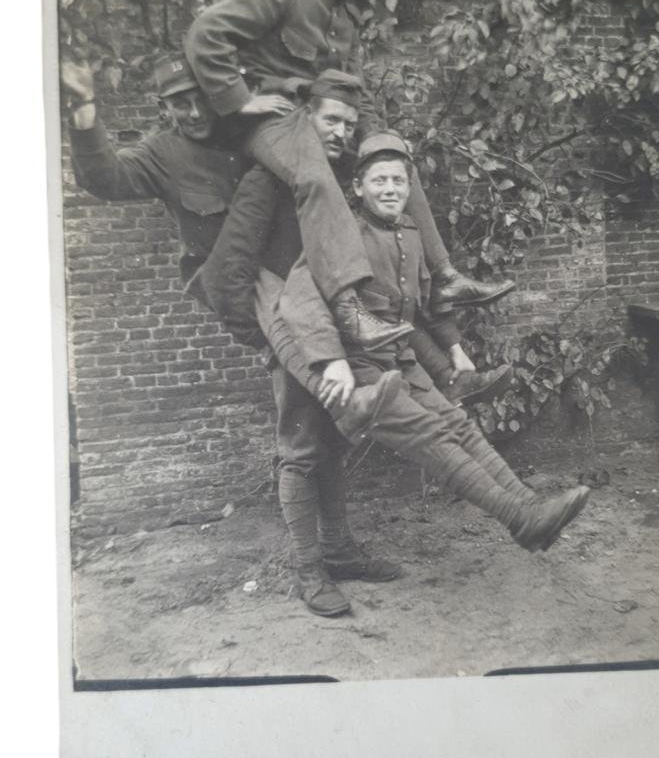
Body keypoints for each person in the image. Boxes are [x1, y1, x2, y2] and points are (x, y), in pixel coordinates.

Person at [62, 56, 505, 617]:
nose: (193, 112)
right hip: (262, 298)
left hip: (317, 292)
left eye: (200, 98)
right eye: (178, 103)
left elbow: (327, 127)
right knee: (300, 439)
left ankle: (339, 549)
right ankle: (308, 567)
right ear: (162, 107)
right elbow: (104, 178)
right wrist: (84, 108)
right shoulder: (162, 153)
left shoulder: (254, 130)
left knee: (334, 432)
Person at [203, 128, 592, 616]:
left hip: (397, 359)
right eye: (378, 181)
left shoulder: (409, 233)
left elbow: (422, 306)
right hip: (348, 365)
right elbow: (299, 299)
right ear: (358, 188)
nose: (390, 189)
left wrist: (453, 352)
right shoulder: (341, 233)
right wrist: (332, 363)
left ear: (410, 188)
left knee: (456, 423)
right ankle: (517, 519)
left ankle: (530, 507)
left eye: (398, 181)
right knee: (399, 439)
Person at [184, 0, 515, 350]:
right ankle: (349, 308)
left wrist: (378, 138)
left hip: (323, 119)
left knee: (392, 157)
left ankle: (444, 276)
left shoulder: (345, 18)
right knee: (315, 177)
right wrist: (240, 100)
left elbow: (353, 90)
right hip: (272, 121)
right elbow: (206, 33)